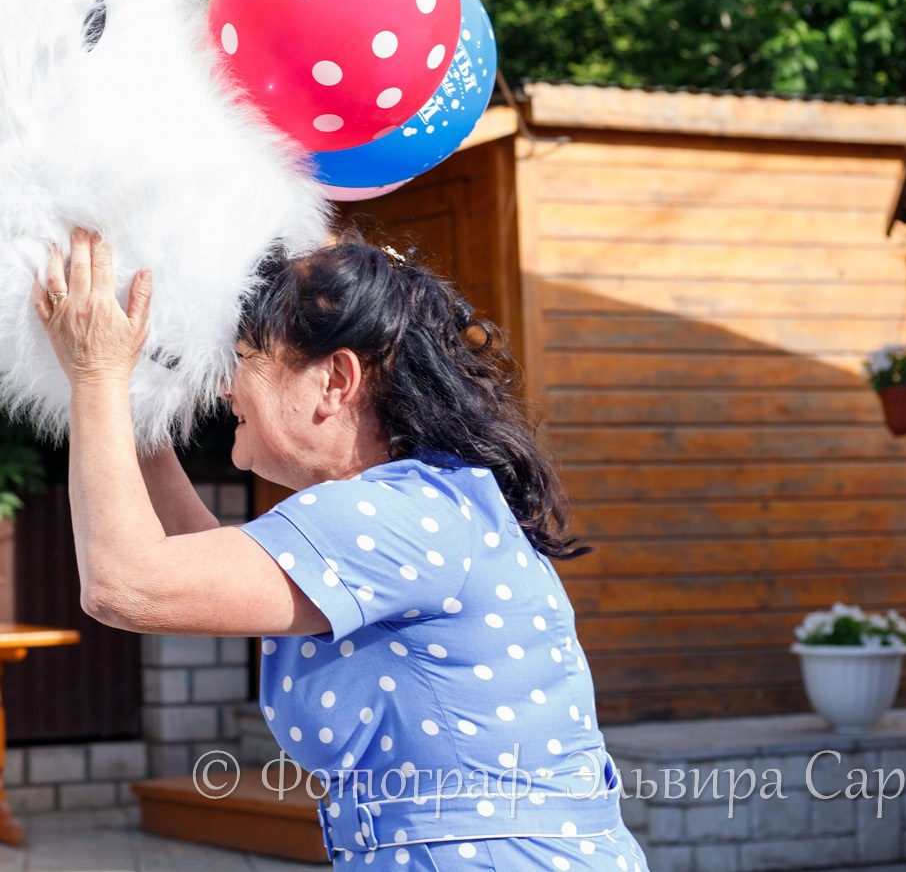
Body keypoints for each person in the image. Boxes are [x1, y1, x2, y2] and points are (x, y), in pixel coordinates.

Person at [33, 229, 646, 871]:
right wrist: (124, 406)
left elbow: (125, 583)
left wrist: (97, 374)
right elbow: (197, 564)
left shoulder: (393, 515)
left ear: (335, 380)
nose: (224, 388)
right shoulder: (422, 504)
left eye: (245, 357)